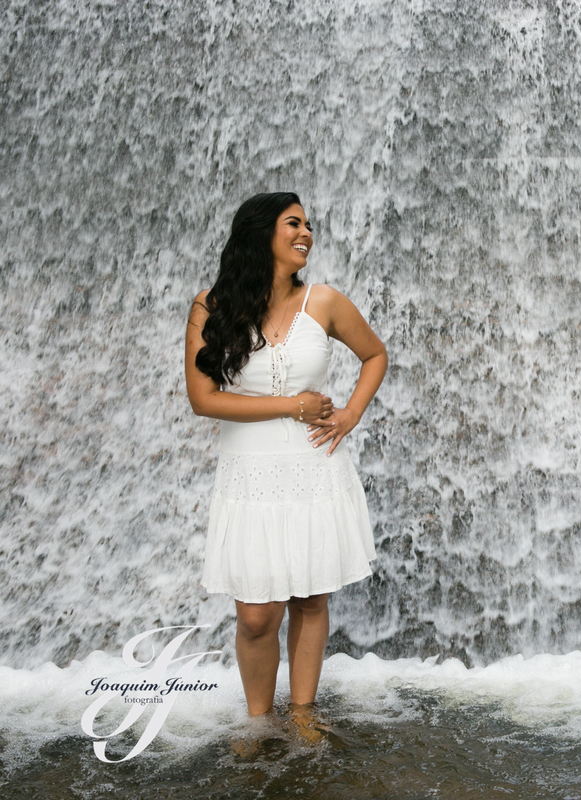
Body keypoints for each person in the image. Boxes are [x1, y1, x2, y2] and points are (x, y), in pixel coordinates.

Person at [185, 192, 387, 733]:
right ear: (260, 233)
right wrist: (293, 405)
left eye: (308, 225)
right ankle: (258, 723)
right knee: (256, 615)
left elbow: (375, 354)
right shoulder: (210, 306)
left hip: (313, 468)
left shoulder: (325, 301)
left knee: (309, 598)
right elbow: (203, 399)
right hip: (249, 477)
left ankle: (301, 714)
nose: (306, 234)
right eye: (293, 223)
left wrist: (349, 414)